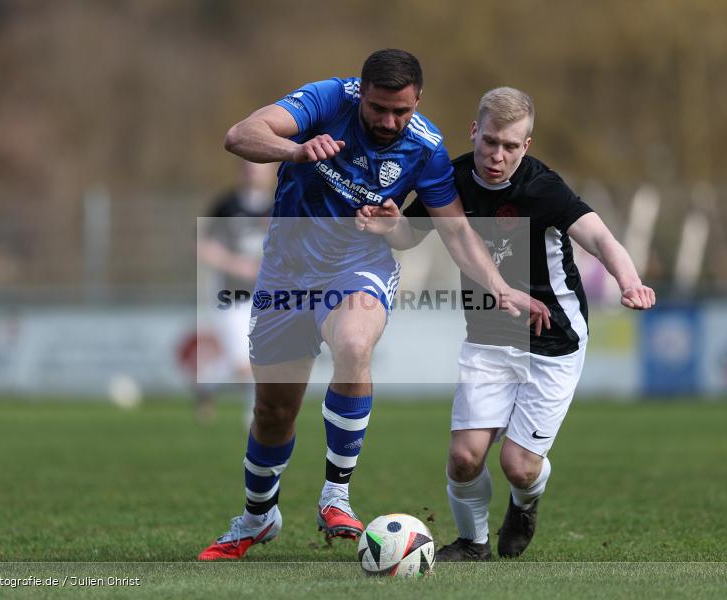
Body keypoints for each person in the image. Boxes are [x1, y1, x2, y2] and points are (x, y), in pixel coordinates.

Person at [198, 51, 550, 561]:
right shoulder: (325, 100)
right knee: (274, 411)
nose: (389, 122)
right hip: (286, 269)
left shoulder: (425, 148)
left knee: (355, 341)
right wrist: (295, 151)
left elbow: (450, 230)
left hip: (357, 264)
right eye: (379, 109)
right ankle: (258, 516)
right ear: (360, 93)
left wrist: (499, 284)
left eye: (401, 112)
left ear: (418, 102)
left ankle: (336, 495)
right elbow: (240, 135)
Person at [356, 87, 656, 560]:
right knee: (463, 458)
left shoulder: (544, 188)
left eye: (511, 146)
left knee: (518, 465)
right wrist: (388, 224)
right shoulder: (450, 179)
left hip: (553, 340)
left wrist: (629, 280)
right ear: (475, 131)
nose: (497, 155)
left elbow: (599, 236)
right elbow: (408, 236)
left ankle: (525, 502)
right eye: (490, 141)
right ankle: (472, 544)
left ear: (526, 146)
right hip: (489, 337)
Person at [194, 159, 276, 425]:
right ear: (241, 171)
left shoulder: (279, 206)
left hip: (266, 296)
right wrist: (236, 265)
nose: (254, 171)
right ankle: (255, 418)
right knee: (244, 363)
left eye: (261, 166)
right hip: (230, 296)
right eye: (249, 166)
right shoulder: (226, 206)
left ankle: (207, 381)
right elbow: (203, 247)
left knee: (256, 360)